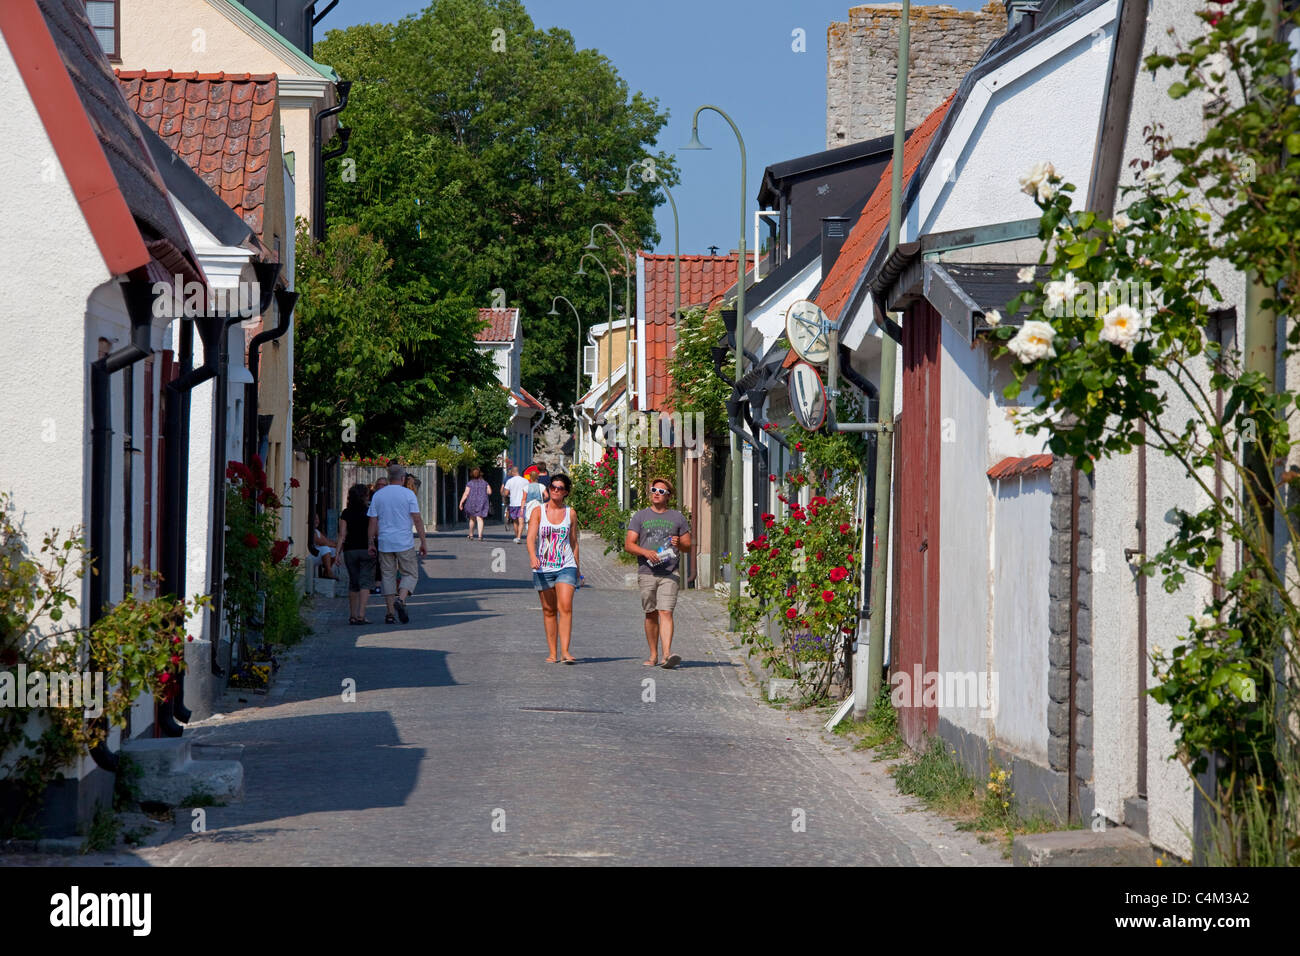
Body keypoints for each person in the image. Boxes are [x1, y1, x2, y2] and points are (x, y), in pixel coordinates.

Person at [625, 477, 692, 668]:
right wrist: (645, 552)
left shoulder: (677, 518)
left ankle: (667, 655)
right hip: (647, 572)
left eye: (661, 491)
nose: (656, 493)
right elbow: (629, 544)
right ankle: (653, 654)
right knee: (651, 613)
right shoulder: (640, 516)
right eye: (654, 489)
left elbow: (688, 545)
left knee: (666, 611)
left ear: (668, 496)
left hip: (670, 572)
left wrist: (680, 543)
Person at [526, 473, 581, 664]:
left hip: (566, 566)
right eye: (553, 487)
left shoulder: (570, 513)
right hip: (543, 568)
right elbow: (531, 537)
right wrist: (533, 557)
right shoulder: (538, 511)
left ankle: (565, 651)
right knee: (549, 610)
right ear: (549, 489)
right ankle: (552, 652)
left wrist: (577, 568)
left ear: (565, 492)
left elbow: (574, 542)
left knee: (565, 607)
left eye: (560, 488)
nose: (555, 490)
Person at [367, 462, 428, 625]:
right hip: (404, 542)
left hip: (385, 542)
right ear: (402, 478)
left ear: (389, 478)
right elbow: (417, 519)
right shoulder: (409, 495)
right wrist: (423, 541)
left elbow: (373, 521)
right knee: (411, 573)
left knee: (387, 576)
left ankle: (389, 614)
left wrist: (370, 542)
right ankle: (400, 600)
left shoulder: (378, 495)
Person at [338, 483, 377, 625]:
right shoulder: (370, 512)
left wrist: (337, 555)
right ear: (365, 496)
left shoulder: (346, 513)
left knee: (353, 583)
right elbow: (375, 532)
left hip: (350, 550)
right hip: (367, 549)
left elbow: (342, 535)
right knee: (366, 582)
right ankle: (361, 614)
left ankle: (352, 615)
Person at [459, 467, 491, 540]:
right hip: (482, 502)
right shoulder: (485, 483)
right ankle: (480, 536)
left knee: (472, 518)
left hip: (471, 502)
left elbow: (466, 493)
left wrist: (461, 502)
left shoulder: (470, 483)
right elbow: (489, 492)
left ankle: (471, 534)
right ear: (480, 474)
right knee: (480, 519)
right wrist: (482, 492)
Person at [502, 466, 529, 543]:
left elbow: (506, 493)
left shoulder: (510, 481)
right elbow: (528, 492)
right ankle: (519, 537)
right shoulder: (525, 481)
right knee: (521, 521)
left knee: (515, 521)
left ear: (513, 472)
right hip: (523, 504)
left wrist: (505, 494)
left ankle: (517, 536)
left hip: (513, 503)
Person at [312, 512, 337, 579]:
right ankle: (329, 571)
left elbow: (326, 540)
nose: (317, 521)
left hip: (317, 555)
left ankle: (326, 571)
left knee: (334, 550)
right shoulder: (311, 531)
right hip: (310, 556)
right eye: (314, 519)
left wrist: (335, 546)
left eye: (317, 519)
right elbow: (322, 542)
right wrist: (335, 545)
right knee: (325, 549)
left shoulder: (317, 531)